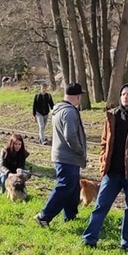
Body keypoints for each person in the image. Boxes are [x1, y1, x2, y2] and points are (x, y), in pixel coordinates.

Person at [82, 83, 128, 251]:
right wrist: (103, 161)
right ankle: (89, 239)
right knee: (101, 206)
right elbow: (104, 142)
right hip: (112, 172)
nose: (125, 97)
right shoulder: (112, 116)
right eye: (123, 94)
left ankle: (127, 244)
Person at [36, 83, 88, 226]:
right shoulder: (70, 112)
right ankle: (44, 216)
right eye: (80, 96)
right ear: (77, 96)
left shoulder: (59, 109)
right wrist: (79, 150)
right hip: (68, 157)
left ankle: (70, 216)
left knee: (73, 187)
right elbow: (70, 135)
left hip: (62, 155)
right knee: (64, 187)